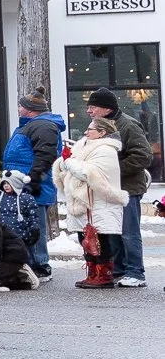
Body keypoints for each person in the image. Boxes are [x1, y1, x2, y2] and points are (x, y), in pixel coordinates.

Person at [85, 88, 151, 288]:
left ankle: (136, 273)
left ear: (106, 109)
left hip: (127, 189)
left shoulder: (128, 125)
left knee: (129, 233)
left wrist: (112, 171)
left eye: (93, 107)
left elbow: (143, 156)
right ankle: (119, 269)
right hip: (109, 190)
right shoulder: (97, 126)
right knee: (113, 232)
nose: (89, 111)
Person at [1, 92, 67, 281]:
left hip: (32, 186)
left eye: (21, 106)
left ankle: (40, 266)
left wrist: (34, 179)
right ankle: (30, 264)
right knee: (27, 225)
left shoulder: (42, 125)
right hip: (22, 185)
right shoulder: (32, 125)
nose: (19, 109)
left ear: (30, 109)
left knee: (34, 226)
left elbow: (45, 156)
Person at [61, 116, 128, 288]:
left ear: (102, 132)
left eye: (90, 129)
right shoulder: (84, 146)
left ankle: (103, 275)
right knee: (85, 238)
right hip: (84, 202)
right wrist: (64, 162)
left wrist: (69, 162)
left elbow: (88, 174)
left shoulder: (106, 150)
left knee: (100, 239)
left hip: (99, 202)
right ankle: (92, 273)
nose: (85, 132)